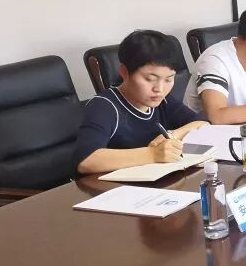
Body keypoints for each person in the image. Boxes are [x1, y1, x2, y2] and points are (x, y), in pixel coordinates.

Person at [75, 30, 208, 174]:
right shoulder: (103, 106)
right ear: (124, 72)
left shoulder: (162, 101)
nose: (159, 89)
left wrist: (172, 135)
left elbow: (202, 123)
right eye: (150, 79)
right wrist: (152, 154)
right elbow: (86, 160)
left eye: (169, 79)